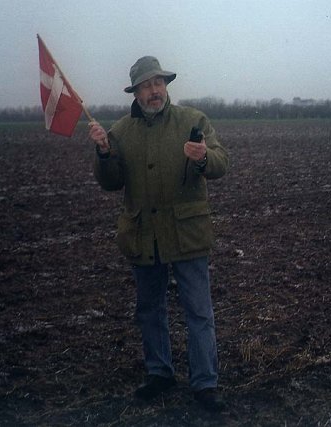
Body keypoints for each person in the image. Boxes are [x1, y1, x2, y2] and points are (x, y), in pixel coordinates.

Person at [88, 56, 229, 412]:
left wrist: (202, 158)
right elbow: (111, 182)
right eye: (147, 85)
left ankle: (205, 384)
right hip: (143, 235)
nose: (155, 91)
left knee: (198, 310)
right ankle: (159, 373)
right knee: (150, 310)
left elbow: (221, 162)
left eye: (159, 83)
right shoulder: (120, 131)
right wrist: (104, 152)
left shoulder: (193, 120)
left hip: (187, 233)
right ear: (135, 92)